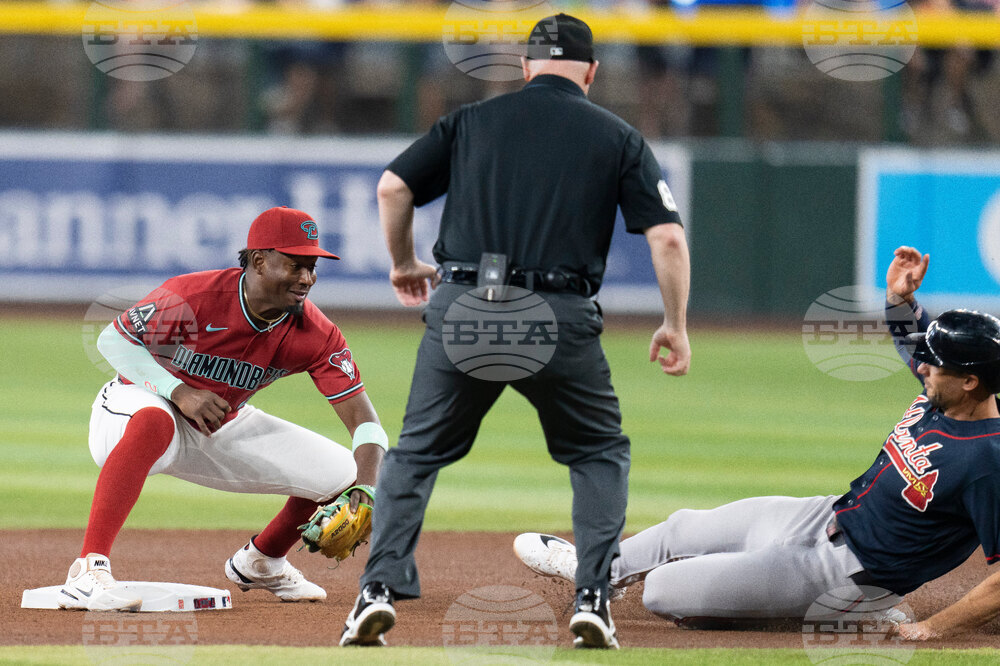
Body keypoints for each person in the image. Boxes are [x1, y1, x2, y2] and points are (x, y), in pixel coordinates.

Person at [339, 13, 691, 650]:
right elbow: (666, 236)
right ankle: (592, 599)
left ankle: (377, 590)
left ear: (526, 67)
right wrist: (675, 324)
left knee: (415, 455)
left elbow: (393, 186)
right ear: (592, 72)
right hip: (557, 314)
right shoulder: (617, 134)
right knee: (595, 454)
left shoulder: (471, 121)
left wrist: (402, 262)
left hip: (465, 303)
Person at [514, 245, 1000, 640]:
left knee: (662, 592)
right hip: (825, 514)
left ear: (972, 381)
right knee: (683, 528)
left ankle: (839, 613)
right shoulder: (945, 390)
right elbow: (911, 339)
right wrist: (900, 298)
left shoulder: (986, 460)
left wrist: (930, 629)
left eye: (935, 364)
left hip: (846, 575)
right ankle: (594, 575)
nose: (922, 367)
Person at [58, 206, 386, 611]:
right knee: (154, 419)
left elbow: (365, 420)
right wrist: (178, 391)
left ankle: (262, 561)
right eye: (295, 264)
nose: (306, 278)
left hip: (218, 425)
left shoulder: (316, 333)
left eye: (312, 266)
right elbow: (114, 340)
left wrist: (367, 486)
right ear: (259, 260)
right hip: (132, 409)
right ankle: (87, 570)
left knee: (347, 472)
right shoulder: (195, 295)